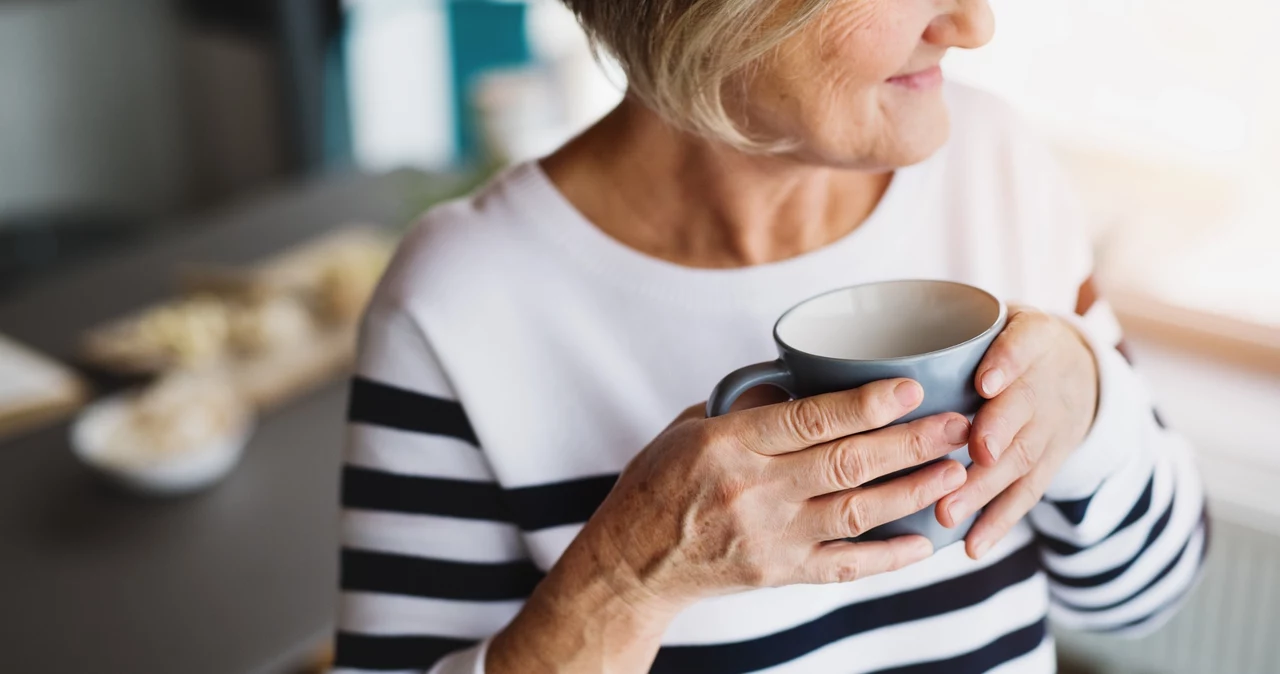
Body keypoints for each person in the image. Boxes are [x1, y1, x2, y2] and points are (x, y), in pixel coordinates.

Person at [332, 0, 1207, 671]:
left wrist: (1091, 403)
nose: (973, 24)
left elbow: (1144, 597)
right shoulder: (456, 306)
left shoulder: (994, 165)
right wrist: (627, 580)